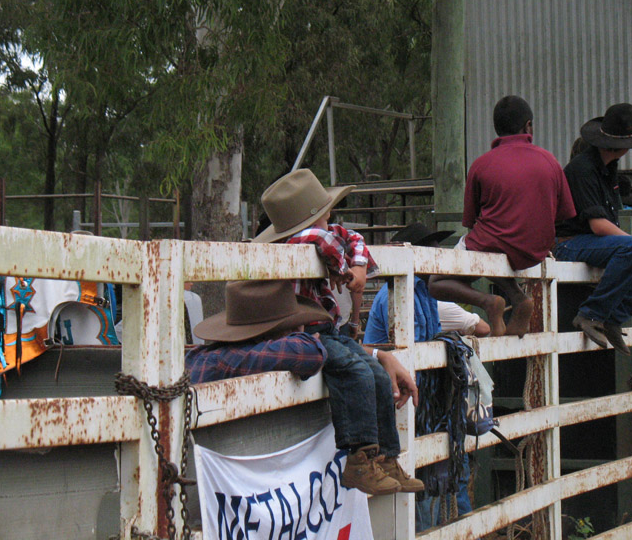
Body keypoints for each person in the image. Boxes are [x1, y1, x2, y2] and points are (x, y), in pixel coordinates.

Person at [255, 168, 423, 496]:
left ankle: (387, 456)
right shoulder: (300, 242)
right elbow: (322, 239)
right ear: (325, 210)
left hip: (324, 329)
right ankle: (359, 459)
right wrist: (347, 268)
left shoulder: (322, 237)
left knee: (374, 373)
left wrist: (356, 268)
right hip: (305, 332)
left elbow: (350, 238)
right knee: (355, 370)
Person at [362, 222, 486, 531]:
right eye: (429, 247)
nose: (436, 254)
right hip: (407, 401)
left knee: (442, 475)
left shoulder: (423, 292)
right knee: (428, 483)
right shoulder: (400, 294)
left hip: (421, 403)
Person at [429, 95, 576, 338]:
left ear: (497, 129)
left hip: (493, 242)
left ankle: (488, 302)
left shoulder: (481, 164)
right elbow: (565, 214)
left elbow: (470, 221)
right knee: (496, 248)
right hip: (533, 251)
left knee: (436, 282)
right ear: (528, 125)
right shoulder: (550, 161)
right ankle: (519, 299)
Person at [554, 103, 632, 354]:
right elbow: (598, 225)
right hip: (570, 242)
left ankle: (613, 315)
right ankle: (590, 314)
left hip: (594, 243)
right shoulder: (582, 169)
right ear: (623, 146)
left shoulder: (607, 167)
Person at [185, 279, 328, 384]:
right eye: (294, 326)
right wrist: (312, 341)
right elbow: (312, 353)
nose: (300, 329)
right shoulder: (234, 358)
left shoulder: (211, 356)